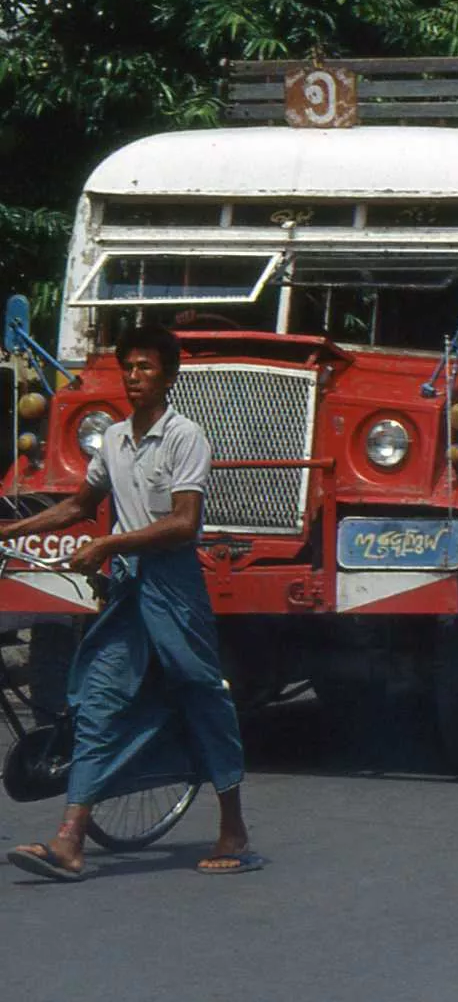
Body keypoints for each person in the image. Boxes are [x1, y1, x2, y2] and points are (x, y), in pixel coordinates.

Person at [3, 326, 259, 882]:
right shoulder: (114, 439)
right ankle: (70, 840)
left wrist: (110, 542)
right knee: (99, 697)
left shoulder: (186, 437)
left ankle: (234, 828)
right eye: (129, 368)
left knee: (201, 694)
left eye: (146, 368)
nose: (135, 377)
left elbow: (184, 524)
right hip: (127, 589)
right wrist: (13, 527)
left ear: (169, 376)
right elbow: (78, 505)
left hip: (173, 585)